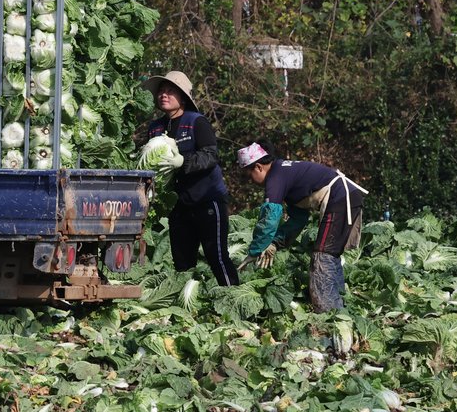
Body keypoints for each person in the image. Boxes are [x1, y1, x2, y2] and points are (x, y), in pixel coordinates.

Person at [235, 143, 368, 312]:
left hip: (340, 198)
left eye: (249, 176)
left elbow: (269, 217)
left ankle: (328, 312)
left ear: (258, 167)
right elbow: (298, 219)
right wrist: (275, 243)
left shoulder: (275, 178)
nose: (251, 182)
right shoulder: (285, 174)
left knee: (323, 256)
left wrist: (255, 250)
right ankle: (338, 307)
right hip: (346, 196)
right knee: (330, 255)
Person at [142, 70, 240, 286]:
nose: (163, 95)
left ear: (183, 97)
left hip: (207, 199)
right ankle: (190, 308)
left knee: (216, 255)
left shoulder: (196, 122)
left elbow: (211, 155)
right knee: (182, 261)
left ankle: (232, 296)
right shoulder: (155, 128)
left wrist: (183, 162)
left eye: (170, 91)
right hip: (178, 205)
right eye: (161, 92)